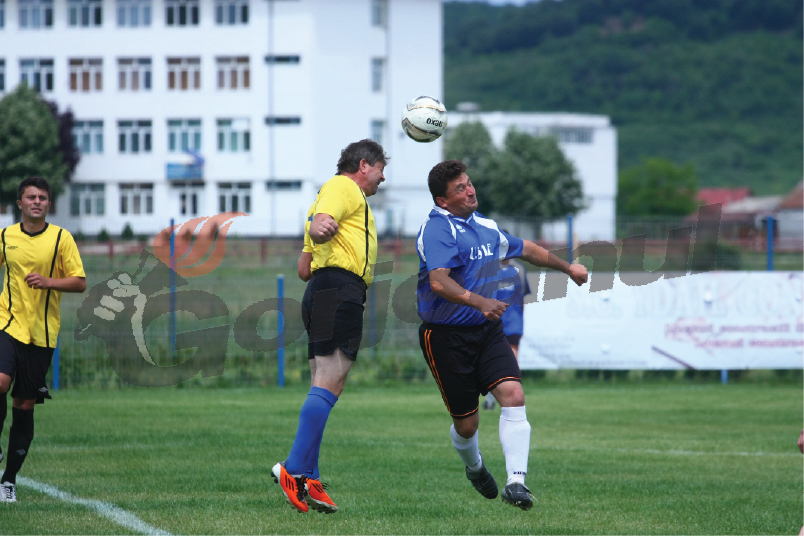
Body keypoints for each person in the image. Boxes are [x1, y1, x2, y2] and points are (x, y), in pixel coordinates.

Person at [416, 160, 587, 511]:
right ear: (442, 201)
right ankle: (475, 467)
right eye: (460, 188)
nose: (470, 190)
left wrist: (568, 268)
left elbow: (527, 249)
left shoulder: (485, 226)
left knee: (513, 393)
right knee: (467, 425)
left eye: (469, 183)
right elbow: (438, 281)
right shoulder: (437, 230)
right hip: (445, 337)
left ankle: (516, 483)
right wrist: (480, 302)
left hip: (486, 331)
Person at [273, 139, 388, 514]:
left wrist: (316, 228)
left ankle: (310, 478)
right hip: (339, 290)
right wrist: (318, 225)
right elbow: (322, 221)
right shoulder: (343, 187)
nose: (383, 179)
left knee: (324, 385)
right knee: (330, 383)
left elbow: (303, 269)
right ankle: (291, 470)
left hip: (322, 290)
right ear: (364, 165)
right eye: (381, 169)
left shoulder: (333, 196)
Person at [0, 177, 87, 503]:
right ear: (20, 203)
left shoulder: (61, 239)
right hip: (7, 325)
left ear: (48, 204)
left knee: (24, 405)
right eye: (31, 197)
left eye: (43, 198)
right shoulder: (6, 237)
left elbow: (79, 282)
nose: (37, 201)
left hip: (43, 334)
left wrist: (49, 281)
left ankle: (8, 480)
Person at [483, 256, 531, 411]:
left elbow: (523, 298)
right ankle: (492, 398)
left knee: (511, 360)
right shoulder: (488, 270)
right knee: (492, 361)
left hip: (514, 324)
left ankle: (511, 400)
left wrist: (520, 320)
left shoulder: (519, 270)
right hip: (494, 323)